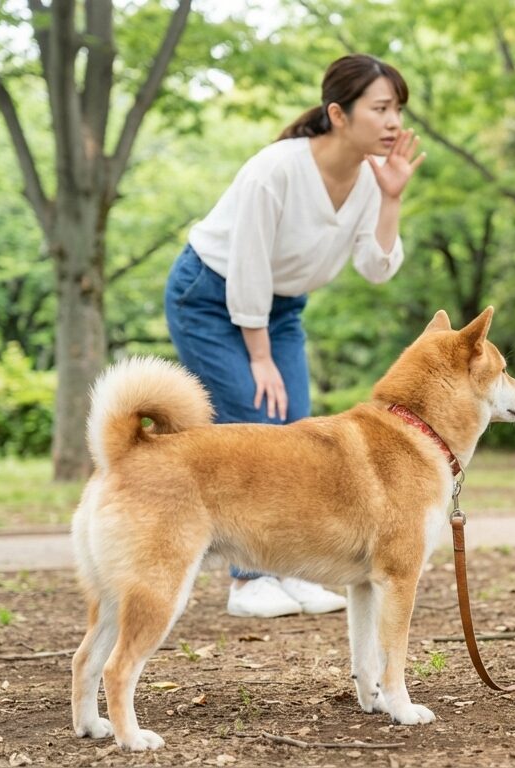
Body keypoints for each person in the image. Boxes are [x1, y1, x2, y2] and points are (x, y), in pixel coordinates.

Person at [164, 54, 424, 618]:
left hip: (281, 309)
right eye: (380, 108)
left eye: (397, 110)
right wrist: (259, 358)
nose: (393, 122)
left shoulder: (368, 181)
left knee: (303, 434)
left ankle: (295, 568)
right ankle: (248, 580)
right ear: (338, 113)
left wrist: (393, 198)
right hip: (209, 295)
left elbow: (377, 269)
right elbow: (249, 265)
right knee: (252, 414)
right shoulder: (275, 169)